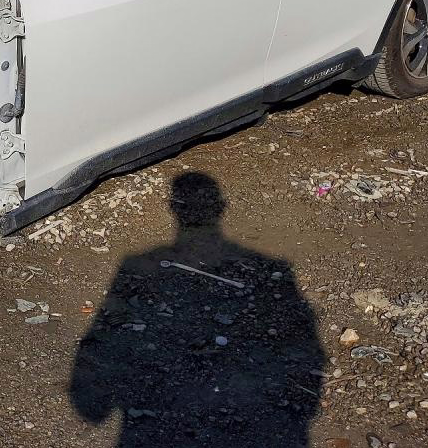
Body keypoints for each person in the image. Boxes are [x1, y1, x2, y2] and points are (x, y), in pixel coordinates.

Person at [70, 172, 324, 447]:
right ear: (221, 207)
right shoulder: (275, 268)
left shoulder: (136, 265)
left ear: (174, 208)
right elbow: (309, 351)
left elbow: (92, 402)